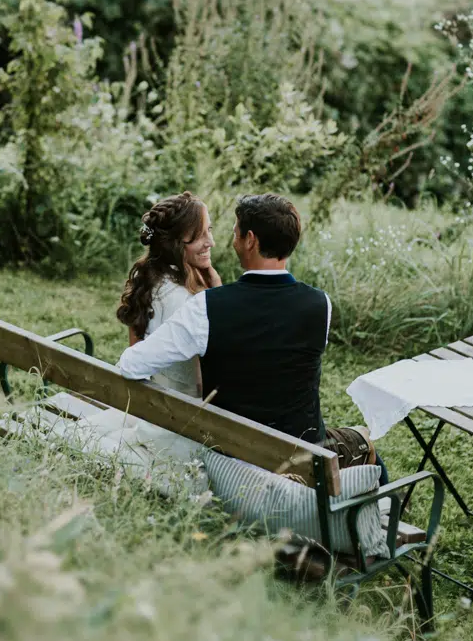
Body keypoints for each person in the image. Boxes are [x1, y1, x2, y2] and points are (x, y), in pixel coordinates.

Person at [118, 192, 386, 485]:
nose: (227, 240)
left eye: (234, 231)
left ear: (250, 240)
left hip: (234, 459)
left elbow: (132, 364)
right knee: (364, 441)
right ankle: (387, 519)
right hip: (304, 453)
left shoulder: (205, 309)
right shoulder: (321, 305)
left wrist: (214, 294)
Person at [116, 191, 221, 398]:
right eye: (200, 235)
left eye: (209, 230)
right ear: (175, 243)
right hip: (182, 418)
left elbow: (136, 350)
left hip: (148, 403)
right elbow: (205, 384)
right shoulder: (189, 302)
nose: (211, 242)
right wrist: (218, 298)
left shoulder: (146, 278)